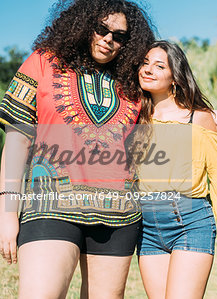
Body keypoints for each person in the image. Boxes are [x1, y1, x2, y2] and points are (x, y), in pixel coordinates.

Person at [0, 0, 155, 297]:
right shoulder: (44, 60)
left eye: (120, 36)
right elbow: (17, 138)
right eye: (102, 29)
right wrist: (7, 212)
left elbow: (177, 111)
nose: (109, 39)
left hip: (118, 216)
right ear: (84, 25)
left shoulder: (133, 81)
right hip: (49, 207)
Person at [132, 40, 217, 298]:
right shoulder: (135, 116)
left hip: (189, 220)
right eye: (144, 63)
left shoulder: (197, 117)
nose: (148, 70)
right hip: (146, 226)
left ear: (175, 76)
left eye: (158, 66)